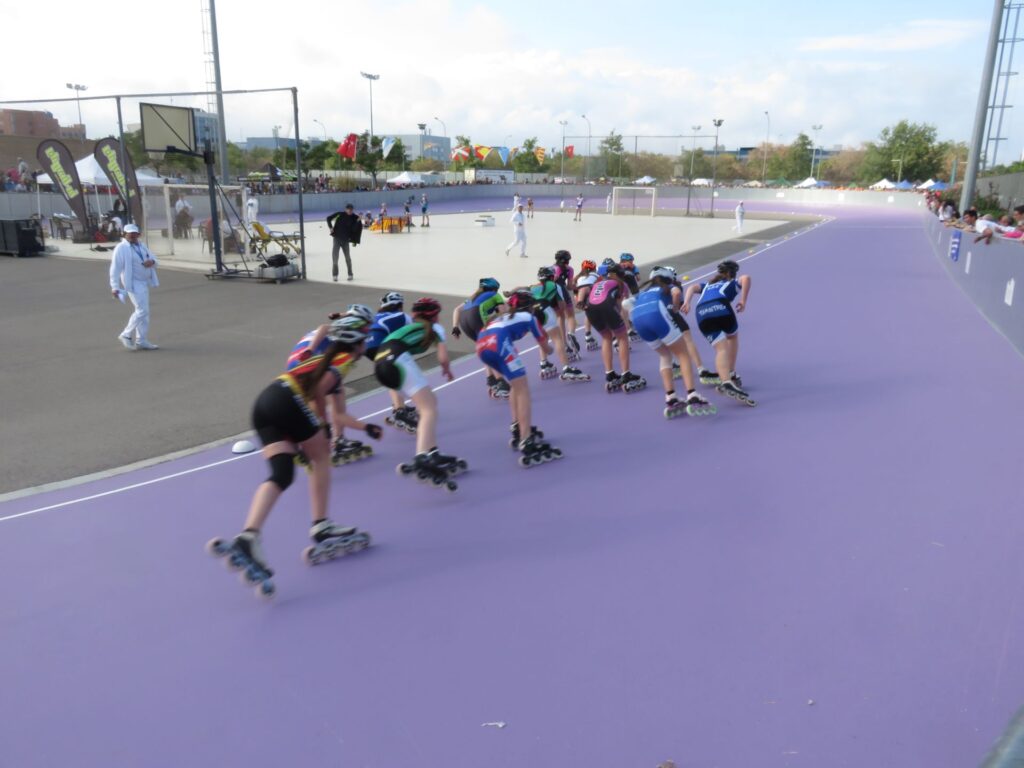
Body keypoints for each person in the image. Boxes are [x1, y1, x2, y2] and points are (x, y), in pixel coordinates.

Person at [208, 317, 382, 593]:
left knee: (282, 474)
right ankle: (322, 525)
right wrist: (322, 427)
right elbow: (317, 393)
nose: (366, 344)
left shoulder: (325, 357)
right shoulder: (343, 361)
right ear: (355, 343)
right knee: (322, 456)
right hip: (288, 400)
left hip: (266, 401)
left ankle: (248, 536)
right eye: (364, 339)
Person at [373, 298, 463, 484]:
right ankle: (422, 456)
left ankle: (432, 451)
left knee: (428, 404)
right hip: (397, 358)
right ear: (435, 316)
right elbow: (443, 357)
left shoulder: (411, 327)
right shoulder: (435, 328)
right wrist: (447, 369)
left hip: (380, 365)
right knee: (429, 407)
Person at [476, 291, 563, 466]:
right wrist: (551, 350)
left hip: (482, 346)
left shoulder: (502, 317)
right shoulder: (529, 317)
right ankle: (526, 438)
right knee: (523, 390)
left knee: (516, 386)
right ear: (529, 307)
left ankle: (517, 425)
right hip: (499, 343)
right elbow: (544, 345)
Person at [629, 266, 715, 418]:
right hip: (657, 315)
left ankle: (671, 397)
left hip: (638, 319)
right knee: (683, 354)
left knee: (665, 356)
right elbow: (676, 293)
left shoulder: (644, 291)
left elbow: (625, 304)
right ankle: (692, 394)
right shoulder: (669, 286)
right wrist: (675, 309)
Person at [682, 260, 755, 406]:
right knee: (732, 338)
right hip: (720, 306)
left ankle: (725, 381)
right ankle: (731, 373)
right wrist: (743, 300)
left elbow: (691, 287)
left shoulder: (707, 285)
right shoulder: (731, 282)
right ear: (732, 273)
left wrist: (687, 302)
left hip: (701, 312)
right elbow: (746, 278)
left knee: (720, 349)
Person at [580, 259, 644, 393]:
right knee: (622, 337)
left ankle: (610, 374)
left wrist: (580, 301)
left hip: (590, 309)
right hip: (607, 307)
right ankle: (626, 374)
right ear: (620, 275)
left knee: (606, 338)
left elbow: (584, 289)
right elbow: (620, 307)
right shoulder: (621, 284)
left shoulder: (598, 282)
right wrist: (622, 325)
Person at [451, 277, 508, 398]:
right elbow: (503, 313)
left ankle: (491, 381)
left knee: (485, 349)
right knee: (493, 349)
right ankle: (501, 382)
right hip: (476, 317)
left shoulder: (471, 298)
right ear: (494, 289)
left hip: (464, 323)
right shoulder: (495, 295)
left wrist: (455, 327)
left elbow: (456, 309)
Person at [365, 293, 415, 425]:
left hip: (366, 347)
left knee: (391, 374)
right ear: (400, 305)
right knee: (397, 374)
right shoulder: (402, 316)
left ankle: (398, 406)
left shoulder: (376, 316)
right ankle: (400, 411)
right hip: (381, 346)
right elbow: (415, 331)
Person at [109, 223, 160, 351]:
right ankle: (126, 334)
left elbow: (154, 259)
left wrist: (152, 262)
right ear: (124, 234)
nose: (132, 236)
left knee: (144, 312)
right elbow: (115, 268)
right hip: (133, 283)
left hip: (144, 282)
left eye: (134, 234)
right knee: (142, 310)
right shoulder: (121, 248)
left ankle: (141, 340)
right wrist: (114, 286)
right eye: (130, 234)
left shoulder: (141, 246)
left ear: (138, 234)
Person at [326, 203, 363, 282]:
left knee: (348, 258)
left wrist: (358, 221)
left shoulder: (354, 217)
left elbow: (354, 229)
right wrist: (330, 227)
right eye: (348, 209)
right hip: (337, 239)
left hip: (345, 241)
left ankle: (350, 274)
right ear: (345, 209)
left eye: (351, 210)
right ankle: (335, 275)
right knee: (335, 258)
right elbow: (328, 218)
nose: (350, 211)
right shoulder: (339, 214)